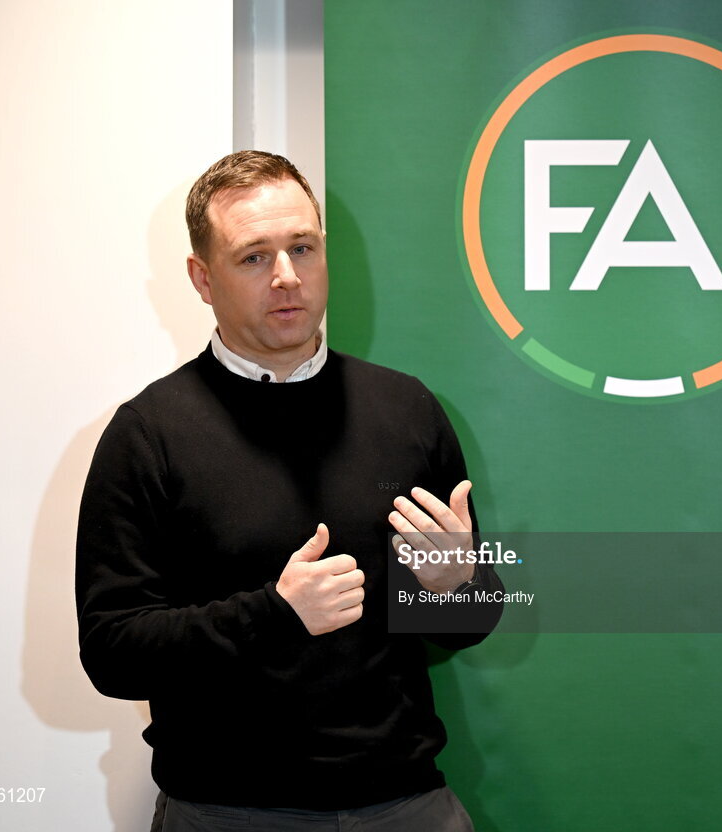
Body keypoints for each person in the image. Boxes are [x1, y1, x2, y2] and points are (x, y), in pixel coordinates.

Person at [75, 150, 502, 831]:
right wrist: (274, 613)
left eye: (302, 248)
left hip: (406, 803)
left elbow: (473, 621)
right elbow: (112, 652)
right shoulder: (148, 434)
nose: (286, 277)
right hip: (227, 810)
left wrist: (456, 585)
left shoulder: (408, 410)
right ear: (202, 278)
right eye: (253, 257)